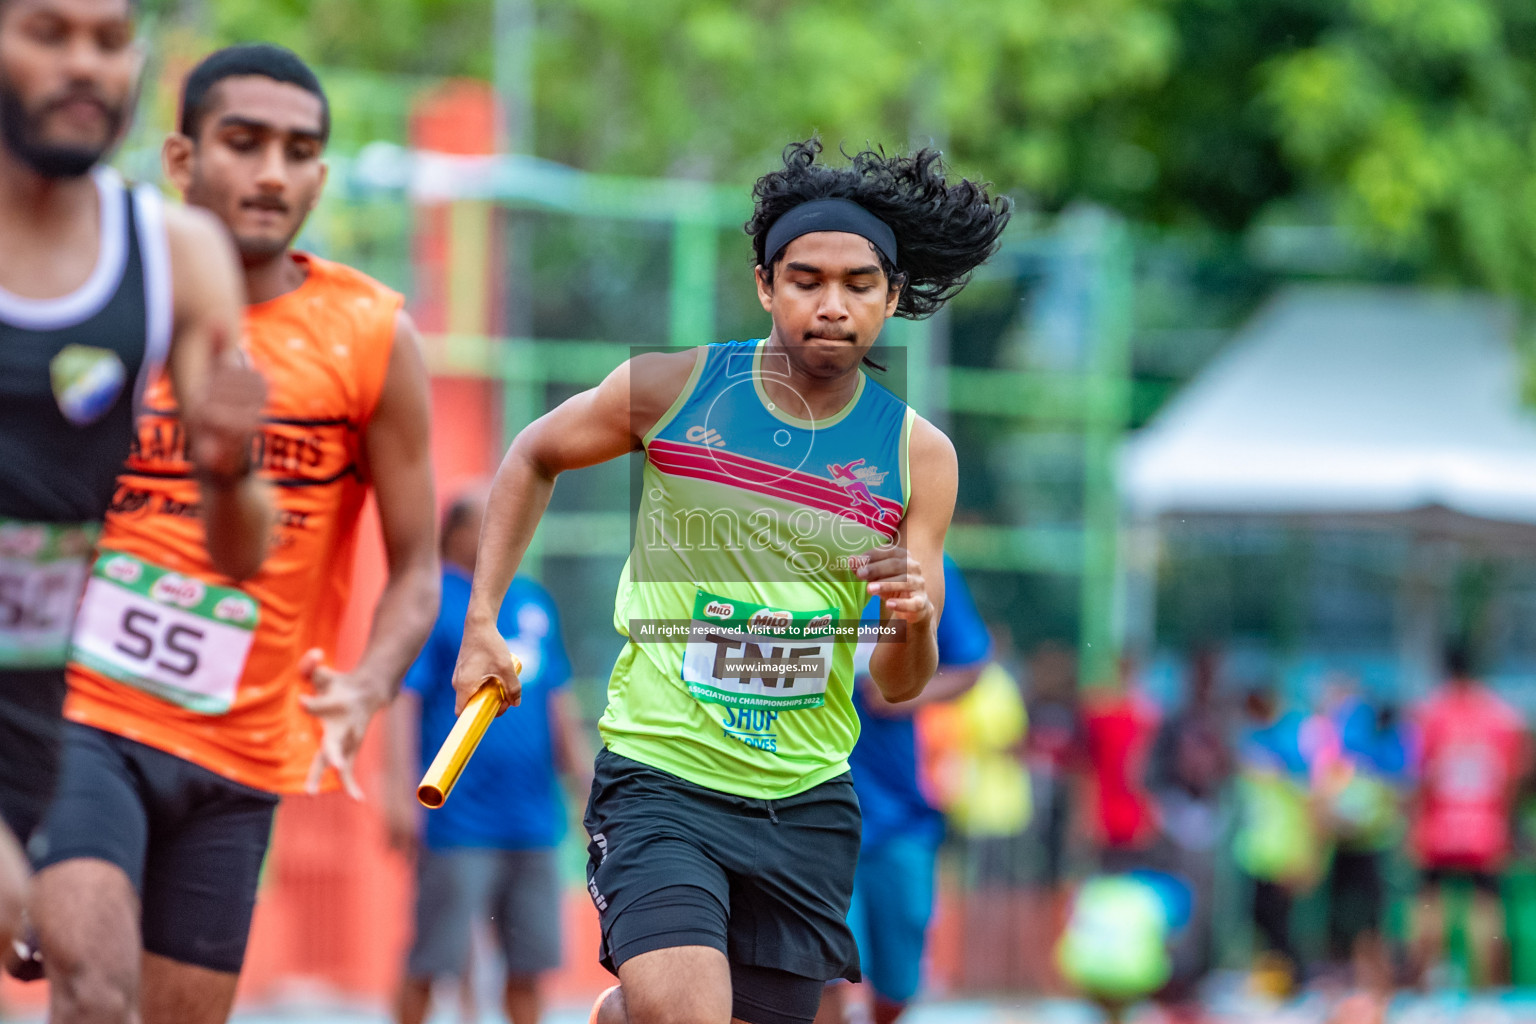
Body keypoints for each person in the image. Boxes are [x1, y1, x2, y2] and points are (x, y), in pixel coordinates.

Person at [450, 138, 1010, 1024]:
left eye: (859, 284)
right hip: (661, 772)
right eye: (805, 279)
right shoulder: (674, 388)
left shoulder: (919, 455)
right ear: (765, 285)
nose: (832, 305)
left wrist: (912, 625)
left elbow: (902, 686)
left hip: (806, 797)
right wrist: (482, 620)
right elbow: (533, 455)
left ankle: (622, 1016)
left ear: (893, 298)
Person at [28, 43, 439, 1024]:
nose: (271, 173)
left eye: (299, 152)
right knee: (92, 990)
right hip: (83, 713)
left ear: (322, 175)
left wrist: (369, 683)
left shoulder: (369, 332)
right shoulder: (100, 295)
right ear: (181, 158)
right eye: (243, 143)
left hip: (244, 745)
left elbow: (420, 564)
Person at [0, 0, 268, 958]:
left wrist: (229, 462)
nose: (85, 65)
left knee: (96, 974)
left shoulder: (176, 255)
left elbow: (242, 553)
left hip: (38, 690)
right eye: (49, 33)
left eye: (109, 42)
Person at [386, 489, 592, 1024]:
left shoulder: (532, 602)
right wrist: (398, 796)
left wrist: (588, 791)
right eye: (489, 522)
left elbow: (558, 703)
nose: (507, 531)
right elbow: (403, 704)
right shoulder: (436, 604)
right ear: (455, 534)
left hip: (532, 820)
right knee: (434, 960)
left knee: (528, 966)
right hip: (457, 819)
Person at [812, 555, 991, 1024]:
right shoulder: (798, 552)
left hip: (900, 811)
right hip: (810, 807)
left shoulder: (921, 564)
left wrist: (908, 692)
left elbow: (970, 663)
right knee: (820, 968)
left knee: (897, 980)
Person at [1409, 645, 1529, 989]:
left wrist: (1415, 824)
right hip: (1484, 823)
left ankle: (1425, 986)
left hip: (1439, 822)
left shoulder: (1431, 712)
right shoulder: (1499, 715)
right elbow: (1513, 777)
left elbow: (1420, 775)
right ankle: (1485, 989)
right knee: (1485, 903)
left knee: (1430, 901)